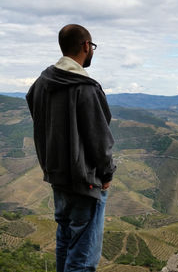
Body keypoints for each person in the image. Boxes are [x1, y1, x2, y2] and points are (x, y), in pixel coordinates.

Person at [26, 24, 116, 272]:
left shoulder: (42, 83)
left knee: (65, 242)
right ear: (86, 46)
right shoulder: (85, 88)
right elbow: (99, 138)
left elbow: (39, 116)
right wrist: (106, 173)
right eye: (92, 46)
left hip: (57, 177)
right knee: (83, 257)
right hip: (84, 182)